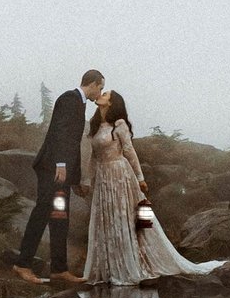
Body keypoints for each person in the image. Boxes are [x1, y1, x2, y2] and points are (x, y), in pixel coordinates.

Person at [79, 90, 222, 285]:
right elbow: (93, 157)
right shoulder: (96, 126)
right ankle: (108, 268)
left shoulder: (119, 125)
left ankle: (129, 265)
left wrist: (140, 177)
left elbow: (129, 151)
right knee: (107, 219)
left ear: (112, 103)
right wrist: (87, 180)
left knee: (124, 217)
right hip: (104, 178)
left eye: (105, 94)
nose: (101, 95)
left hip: (120, 175)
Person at [13, 69, 103, 284]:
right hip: (51, 169)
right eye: (100, 88)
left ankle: (59, 269)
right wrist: (60, 165)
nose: (100, 93)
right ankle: (22, 265)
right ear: (92, 83)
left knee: (60, 217)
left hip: (62, 173)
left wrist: (74, 179)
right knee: (42, 211)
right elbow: (60, 133)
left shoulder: (79, 104)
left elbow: (73, 144)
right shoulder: (69, 98)